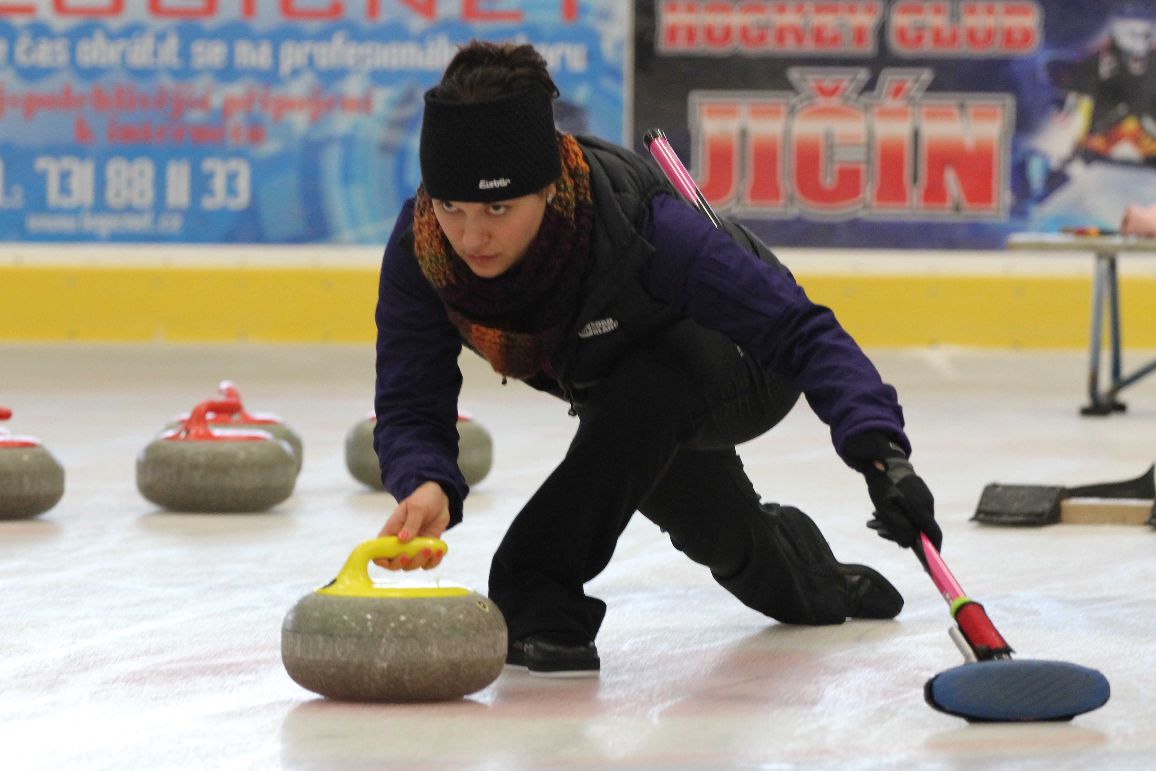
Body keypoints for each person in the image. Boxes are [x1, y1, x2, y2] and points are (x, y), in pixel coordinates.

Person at [371, 40, 942, 677]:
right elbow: (411, 394)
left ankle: (536, 585)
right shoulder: (425, 250)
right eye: (452, 206)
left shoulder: (638, 222)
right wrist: (424, 479)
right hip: (622, 390)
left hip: (743, 365)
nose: (471, 235)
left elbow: (796, 328)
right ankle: (814, 577)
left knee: (646, 388)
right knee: (718, 531)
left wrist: (881, 454)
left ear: (548, 185)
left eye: (497, 208)